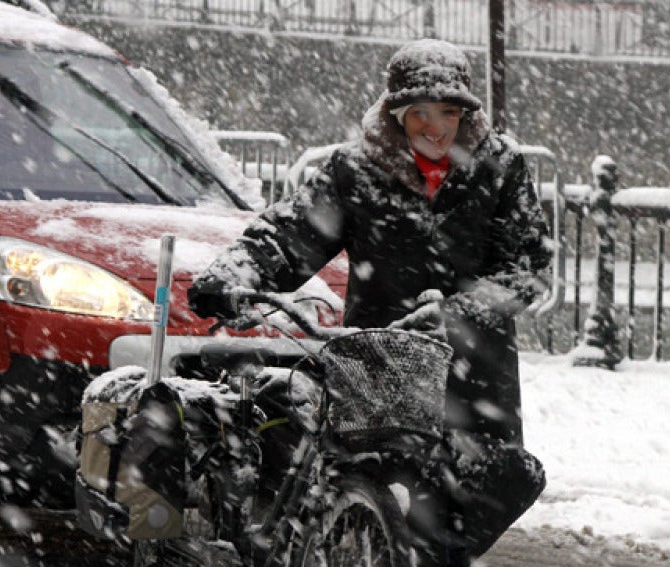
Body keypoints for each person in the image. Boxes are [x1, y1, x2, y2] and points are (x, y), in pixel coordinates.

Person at [187, 38, 551, 563]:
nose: (435, 126)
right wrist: (233, 273)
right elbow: (290, 233)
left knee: (474, 500)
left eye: (449, 112)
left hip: (474, 371)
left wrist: (459, 312)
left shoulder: (500, 168)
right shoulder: (355, 170)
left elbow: (529, 267)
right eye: (420, 113)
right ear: (396, 113)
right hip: (380, 361)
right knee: (370, 491)